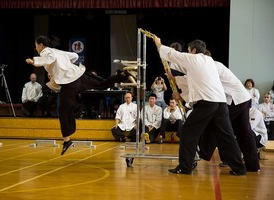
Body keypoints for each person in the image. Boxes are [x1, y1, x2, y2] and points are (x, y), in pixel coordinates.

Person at [153, 37, 246, 175]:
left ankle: (185, 167)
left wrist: (159, 44)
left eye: (189, 51)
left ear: (194, 51)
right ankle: (239, 168)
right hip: (220, 103)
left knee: (188, 132)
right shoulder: (208, 62)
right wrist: (173, 76)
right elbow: (187, 71)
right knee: (226, 136)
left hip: (207, 103)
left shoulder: (194, 59)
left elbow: (175, 56)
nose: (188, 53)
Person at [26, 35, 131, 155]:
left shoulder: (46, 51)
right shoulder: (58, 51)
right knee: (101, 83)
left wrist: (34, 61)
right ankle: (122, 75)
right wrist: (66, 65)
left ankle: (67, 140)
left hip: (70, 83)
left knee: (63, 109)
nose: (36, 49)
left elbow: (48, 59)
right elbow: (75, 56)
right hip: (80, 75)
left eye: (36, 46)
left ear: (40, 45)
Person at [198, 61, 260, 172]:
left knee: (217, 125)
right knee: (244, 132)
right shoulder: (216, 65)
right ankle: (253, 165)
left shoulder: (210, 66)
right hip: (243, 98)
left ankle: (203, 153)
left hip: (234, 100)